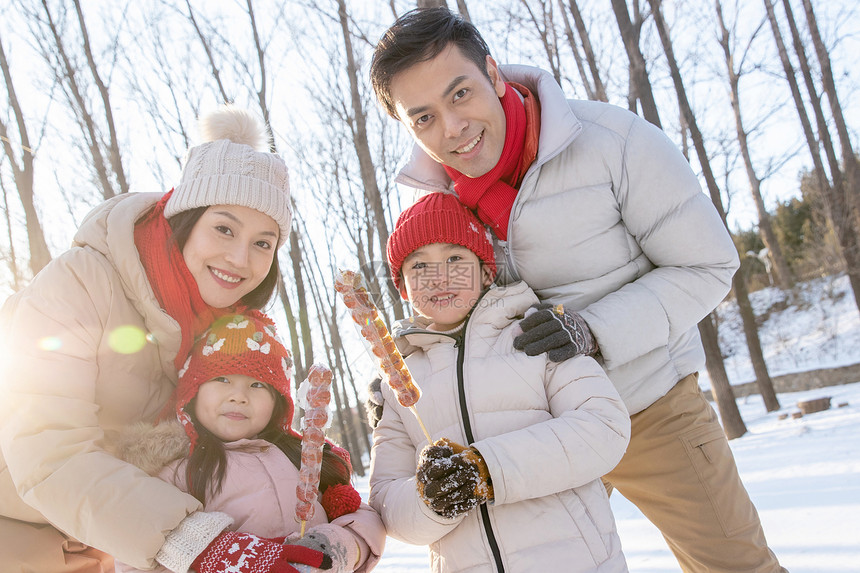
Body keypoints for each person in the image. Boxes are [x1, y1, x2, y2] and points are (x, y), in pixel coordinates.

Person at [369, 8, 785, 572]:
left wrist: (594, 331)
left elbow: (707, 264)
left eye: (460, 93)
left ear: (493, 74)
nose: (452, 128)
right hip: (528, 437)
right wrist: (408, 369)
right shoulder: (434, 205)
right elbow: (456, 311)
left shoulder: (612, 142)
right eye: (423, 118)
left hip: (648, 403)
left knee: (735, 567)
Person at [0, 106, 324, 573]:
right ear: (186, 219)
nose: (239, 258)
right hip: (25, 523)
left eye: (263, 242)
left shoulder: (229, 334)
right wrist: (199, 545)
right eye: (224, 228)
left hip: (113, 534)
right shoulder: (81, 282)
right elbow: (47, 448)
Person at [368, 191, 631, 572]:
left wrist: (486, 469)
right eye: (419, 266)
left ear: (487, 269)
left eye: (455, 258)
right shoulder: (398, 384)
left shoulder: (534, 333)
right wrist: (430, 501)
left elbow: (602, 428)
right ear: (404, 289)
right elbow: (386, 498)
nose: (438, 276)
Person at [112, 312, 385, 573]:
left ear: (277, 401)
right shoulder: (175, 474)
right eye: (221, 379)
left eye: (257, 385)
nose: (239, 396)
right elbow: (137, 556)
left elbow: (361, 517)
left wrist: (341, 547)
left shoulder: (301, 457)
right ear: (193, 392)